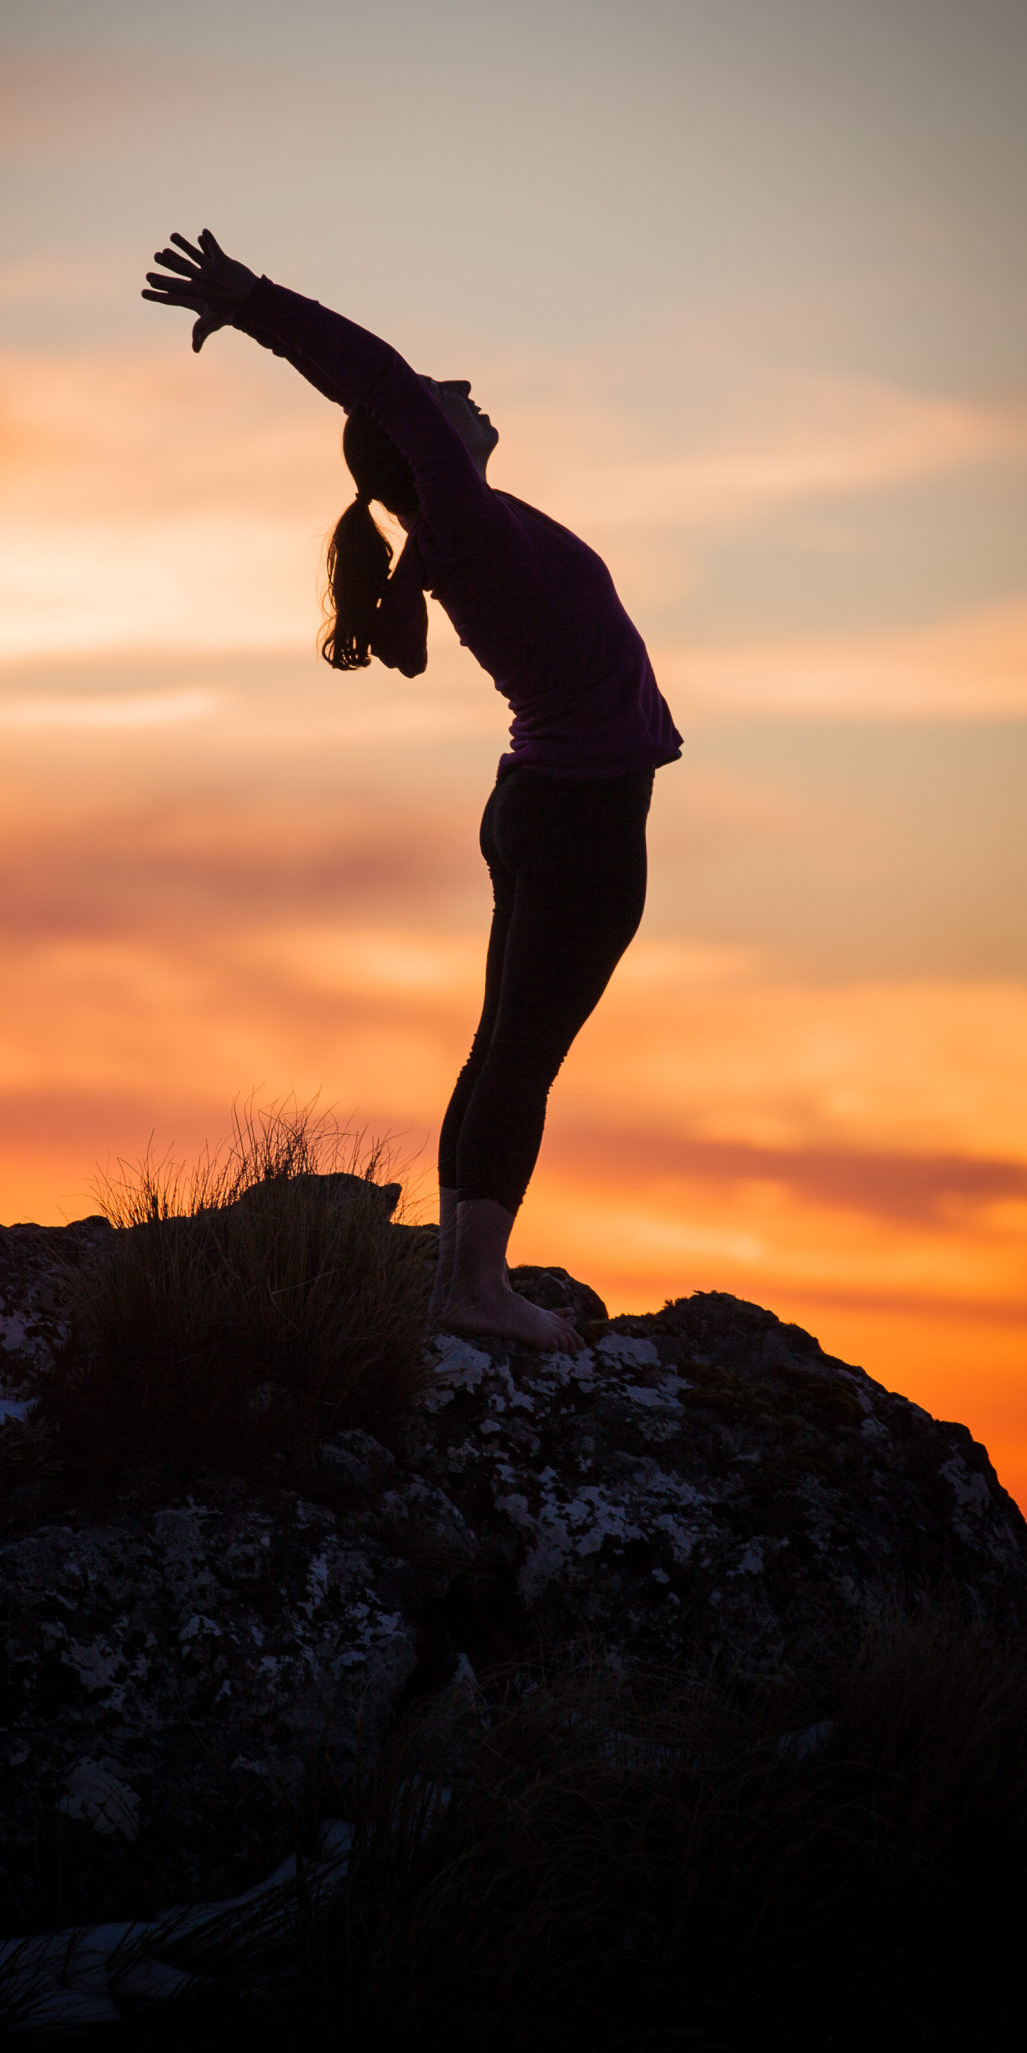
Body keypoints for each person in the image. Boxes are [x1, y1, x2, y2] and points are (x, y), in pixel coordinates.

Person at [143, 230, 681, 1354]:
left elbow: (415, 626)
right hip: (577, 821)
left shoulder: (449, 538)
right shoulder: (465, 524)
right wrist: (254, 302)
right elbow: (383, 377)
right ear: (418, 442)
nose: (461, 391)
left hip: (541, 807)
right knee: (521, 1053)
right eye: (442, 397)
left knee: (502, 1043)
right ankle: (473, 1289)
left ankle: (460, 1279)